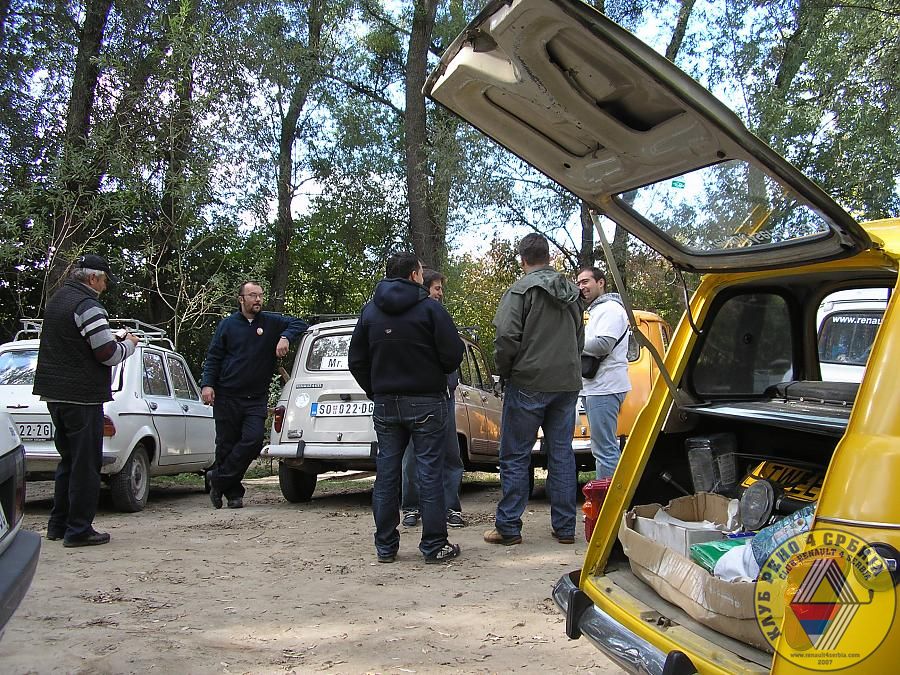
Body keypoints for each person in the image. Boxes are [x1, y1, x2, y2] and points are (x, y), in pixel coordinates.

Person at [348, 252, 464, 564]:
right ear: (415, 274)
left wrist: (375, 389)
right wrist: (433, 374)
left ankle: (385, 546)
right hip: (427, 400)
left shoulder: (370, 311)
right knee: (429, 471)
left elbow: (356, 360)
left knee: (387, 473)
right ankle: (434, 545)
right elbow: (454, 354)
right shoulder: (430, 309)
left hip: (386, 403)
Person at [33, 254, 140, 547]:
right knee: (86, 465)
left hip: (55, 395)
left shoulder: (58, 300)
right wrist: (128, 344)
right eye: (104, 280)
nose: (105, 286)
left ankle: (58, 525)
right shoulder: (88, 305)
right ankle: (79, 529)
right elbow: (107, 354)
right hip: (81, 397)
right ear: (93, 278)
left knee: (68, 461)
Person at [484, 233, 584, 546]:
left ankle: (509, 527)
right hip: (566, 383)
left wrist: (505, 371)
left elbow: (505, 337)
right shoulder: (572, 293)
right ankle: (566, 527)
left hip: (528, 381)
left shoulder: (520, 290)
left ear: (523, 259)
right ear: (549, 256)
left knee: (515, 455)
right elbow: (579, 337)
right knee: (562, 454)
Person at [201, 281, 307, 509]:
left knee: (253, 440)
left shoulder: (271, 322)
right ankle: (233, 493)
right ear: (241, 299)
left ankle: (217, 478)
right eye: (252, 296)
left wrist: (285, 337)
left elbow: (300, 323)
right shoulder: (227, 325)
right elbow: (214, 358)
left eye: (260, 295)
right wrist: (207, 385)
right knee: (226, 445)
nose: (258, 299)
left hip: (255, 397)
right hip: (227, 395)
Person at [401, 269, 466, 529]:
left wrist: (451, 381)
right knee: (412, 455)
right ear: (425, 287)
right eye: (437, 288)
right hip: (415, 396)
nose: (440, 293)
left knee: (451, 453)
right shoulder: (409, 316)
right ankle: (411, 507)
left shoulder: (442, 315)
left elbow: (454, 352)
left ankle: (451, 508)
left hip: (444, 395)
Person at [576, 267, 631, 479]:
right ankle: (610, 503)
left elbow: (602, 345)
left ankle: (609, 507)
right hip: (598, 387)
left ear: (601, 283)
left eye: (586, 281)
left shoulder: (610, 309)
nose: (582, 287)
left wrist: (571, 343)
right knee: (603, 449)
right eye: (579, 283)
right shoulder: (598, 310)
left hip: (605, 388)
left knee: (605, 451)